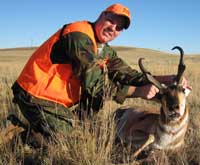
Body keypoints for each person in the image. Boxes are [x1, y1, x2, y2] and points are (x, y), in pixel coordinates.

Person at [11, 3, 189, 141]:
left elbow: (127, 74)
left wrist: (165, 78)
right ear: (102, 15)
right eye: (111, 21)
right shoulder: (78, 35)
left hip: (55, 99)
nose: (113, 28)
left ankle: (72, 124)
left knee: (87, 115)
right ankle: (16, 130)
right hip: (33, 94)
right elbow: (94, 83)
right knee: (69, 141)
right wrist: (137, 92)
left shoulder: (104, 50)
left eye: (119, 28)